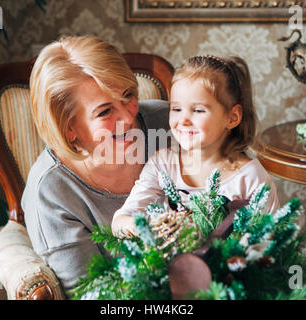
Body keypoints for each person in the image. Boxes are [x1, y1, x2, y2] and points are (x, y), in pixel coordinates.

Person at [21, 36, 170, 297]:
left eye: (127, 95)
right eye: (104, 112)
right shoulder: (51, 191)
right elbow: (94, 293)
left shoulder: (170, 123)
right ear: (68, 128)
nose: (127, 116)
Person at [112, 55, 280, 238]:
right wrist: (147, 227)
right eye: (176, 109)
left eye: (198, 110)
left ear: (232, 117)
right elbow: (121, 220)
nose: (183, 120)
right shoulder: (163, 164)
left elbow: (270, 244)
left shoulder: (251, 178)